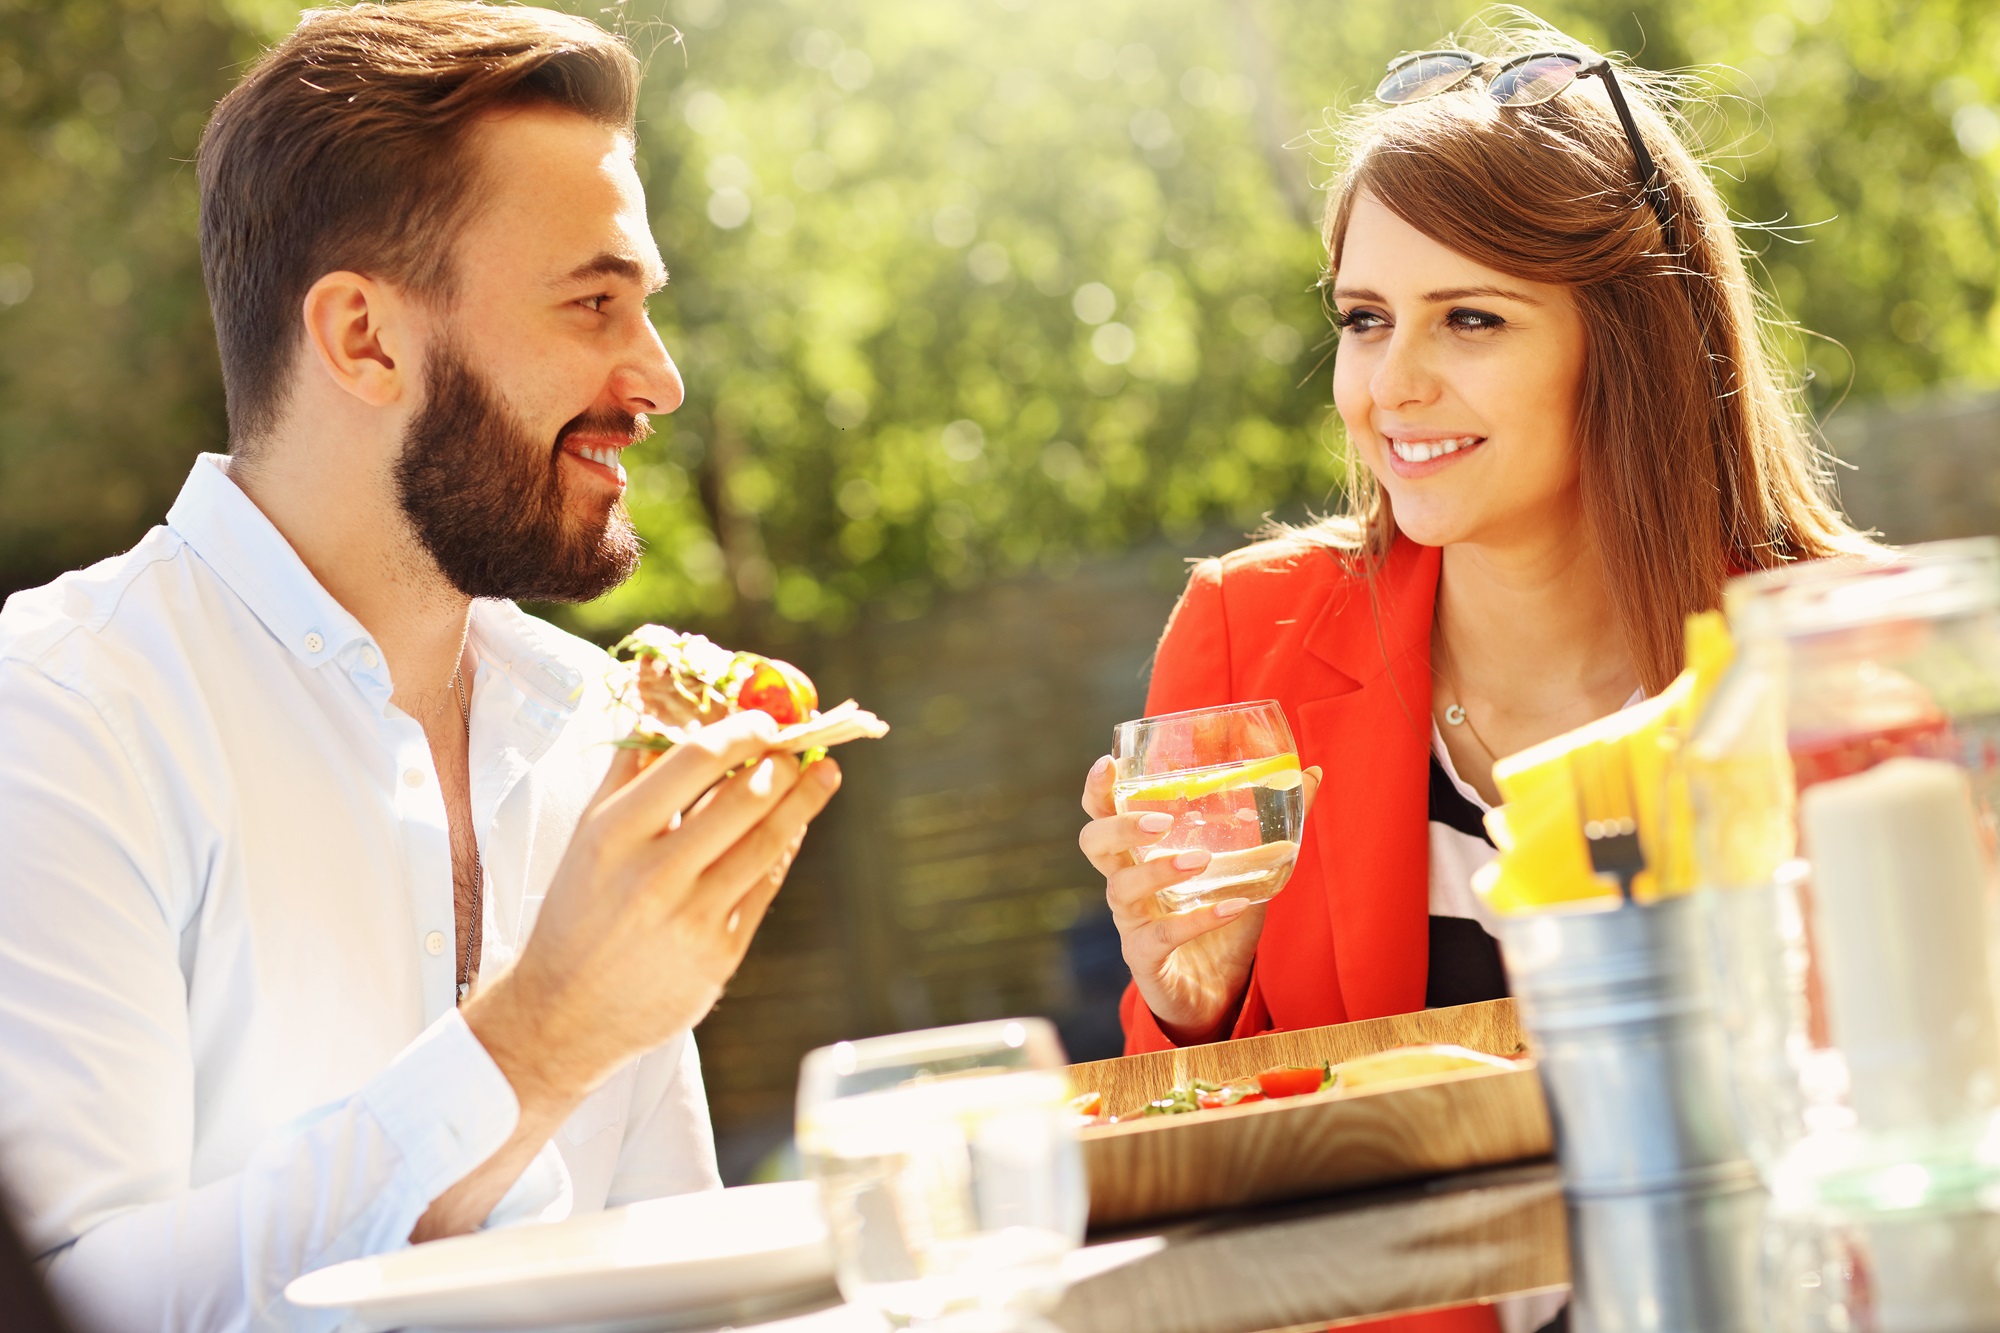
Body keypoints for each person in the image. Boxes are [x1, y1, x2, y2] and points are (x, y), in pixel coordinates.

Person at [0, 4, 840, 1328]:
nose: (658, 378)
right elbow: (67, 1297)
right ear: (364, 338)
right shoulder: (58, 713)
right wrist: (536, 1039)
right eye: (594, 301)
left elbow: (679, 1267)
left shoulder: (586, 730)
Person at [1078, 16, 1873, 1333]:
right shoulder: (1247, 640)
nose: (1393, 383)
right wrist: (1195, 1005)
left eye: (1473, 318)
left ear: (1628, 342)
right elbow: (1198, 1208)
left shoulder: (1844, 658)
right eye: (1366, 317)